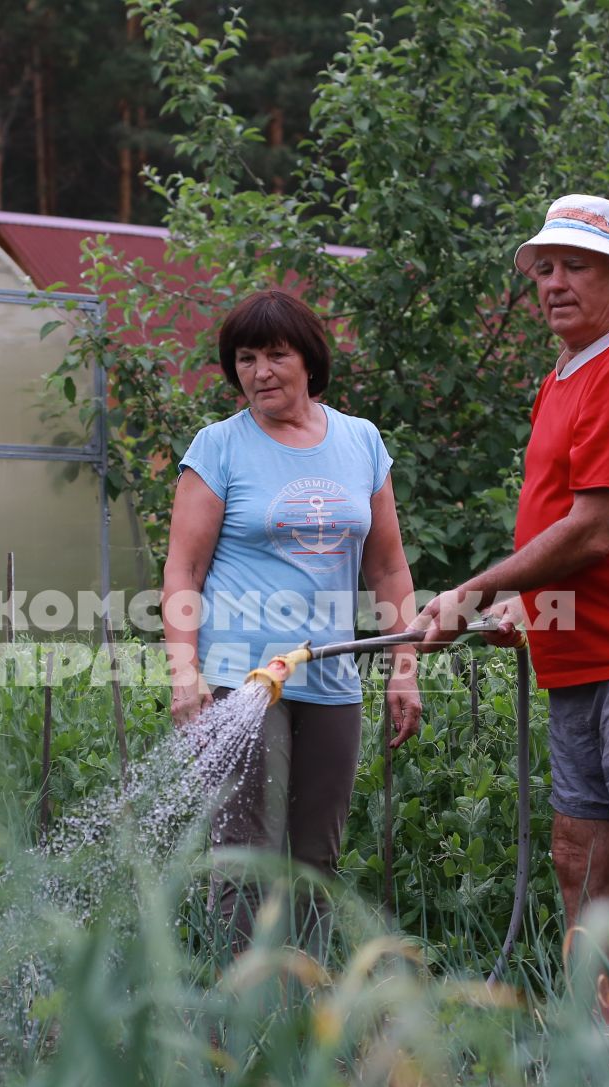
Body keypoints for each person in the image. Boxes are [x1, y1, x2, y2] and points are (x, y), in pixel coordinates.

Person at [412, 194, 609, 1019]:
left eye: (576, 265)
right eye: (544, 267)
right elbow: (565, 521)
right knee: (577, 854)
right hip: (581, 652)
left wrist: (474, 593)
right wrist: (525, 607)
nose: (554, 282)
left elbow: (593, 531)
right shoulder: (564, 376)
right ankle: (599, 1053)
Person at [162, 288, 421, 947]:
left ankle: (301, 1022)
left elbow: (388, 569)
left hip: (332, 679)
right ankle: (238, 1027)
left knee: (315, 861)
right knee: (247, 856)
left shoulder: (361, 441)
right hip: (242, 676)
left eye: (276, 355)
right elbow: (182, 570)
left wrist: (404, 667)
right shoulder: (218, 447)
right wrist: (183, 673)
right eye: (245, 359)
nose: (260, 372)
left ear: (309, 361)